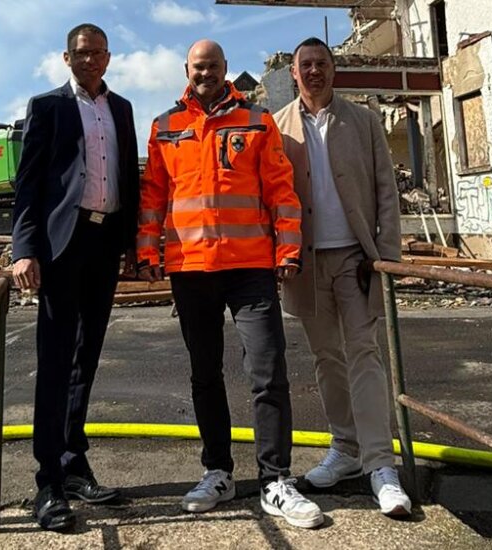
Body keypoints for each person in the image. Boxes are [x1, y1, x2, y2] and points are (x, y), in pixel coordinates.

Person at [137, 39, 323, 530]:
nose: (206, 74)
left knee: (268, 370)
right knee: (205, 374)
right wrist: (147, 251)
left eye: (214, 66)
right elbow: (153, 195)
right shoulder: (164, 127)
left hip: (250, 268)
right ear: (187, 70)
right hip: (191, 269)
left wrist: (288, 250)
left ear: (225, 69)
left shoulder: (256, 122)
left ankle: (275, 480)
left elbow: (281, 190)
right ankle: (218, 473)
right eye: (199, 67)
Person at [272, 37, 411, 517]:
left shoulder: (363, 121)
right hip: (306, 263)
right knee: (326, 359)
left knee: (365, 355)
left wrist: (386, 258)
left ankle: (381, 464)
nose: (314, 71)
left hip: (357, 260)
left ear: (334, 70)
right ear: (294, 73)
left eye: (322, 63)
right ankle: (345, 448)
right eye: (305, 65)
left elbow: (386, 192)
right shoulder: (277, 127)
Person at [11, 22, 140, 532]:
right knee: (55, 360)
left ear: (108, 58)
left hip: (105, 245)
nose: (90, 60)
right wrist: (25, 250)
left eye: (97, 53)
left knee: (86, 358)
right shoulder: (48, 107)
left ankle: (73, 462)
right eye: (81, 53)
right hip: (61, 247)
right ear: (67, 58)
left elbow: (128, 177)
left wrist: (132, 245)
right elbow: (28, 184)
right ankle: (48, 482)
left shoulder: (122, 108)